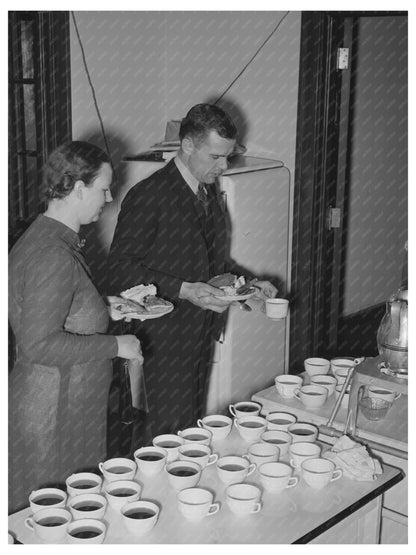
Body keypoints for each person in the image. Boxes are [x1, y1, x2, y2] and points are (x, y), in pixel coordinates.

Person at [107, 103, 277, 438]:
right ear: (187, 146)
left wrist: (248, 286)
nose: (223, 165)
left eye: (227, 156)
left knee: (188, 427)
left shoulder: (204, 189)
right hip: (166, 338)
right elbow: (120, 268)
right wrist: (185, 290)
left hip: (200, 329)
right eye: (216, 156)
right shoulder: (150, 195)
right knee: (171, 434)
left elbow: (210, 261)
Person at [8, 141, 142, 513]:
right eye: (104, 188)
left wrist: (102, 308)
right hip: (56, 413)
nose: (109, 196)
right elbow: (40, 343)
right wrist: (117, 347)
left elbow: (51, 309)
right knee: (59, 519)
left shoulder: (42, 236)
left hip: (55, 403)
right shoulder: (54, 254)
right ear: (79, 188)